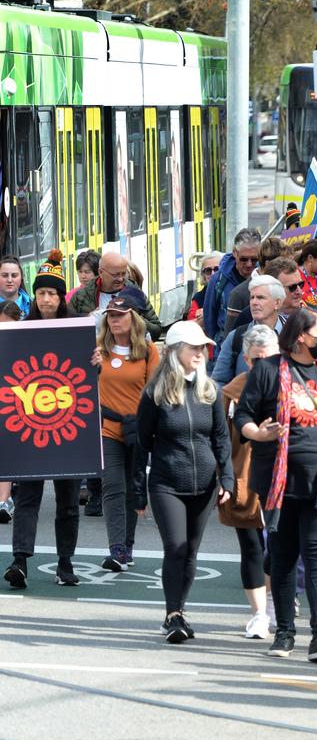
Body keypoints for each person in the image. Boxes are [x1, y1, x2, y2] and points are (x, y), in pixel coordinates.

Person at [235, 307, 317, 660]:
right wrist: (259, 434)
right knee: (282, 557)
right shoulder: (267, 370)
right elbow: (244, 418)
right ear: (299, 337)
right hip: (279, 482)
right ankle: (285, 633)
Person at [133, 321, 234, 643]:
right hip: (166, 483)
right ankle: (172, 615)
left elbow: (220, 438)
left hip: (204, 484)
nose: (201, 353)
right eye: (194, 348)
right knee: (175, 548)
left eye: (203, 348)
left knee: (190, 551)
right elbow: (141, 444)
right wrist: (138, 492)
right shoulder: (155, 393)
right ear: (176, 351)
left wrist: (227, 478)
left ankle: (180, 609)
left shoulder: (211, 390)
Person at [3, 252, 83, 589]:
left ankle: (65, 563)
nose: (46, 299)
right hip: (30, 421)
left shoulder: (78, 328)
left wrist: (95, 361)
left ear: (61, 296)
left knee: (67, 499)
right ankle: (20, 560)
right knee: (28, 496)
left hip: (69, 423)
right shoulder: (21, 330)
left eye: (52, 293)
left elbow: (88, 376)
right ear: (34, 296)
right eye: (41, 293)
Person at [91, 295, 161, 571]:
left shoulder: (147, 350)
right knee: (112, 486)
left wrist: (147, 423)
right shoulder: (99, 350)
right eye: (111, 315)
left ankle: (127, 546)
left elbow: (154, 390)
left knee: (133, 488)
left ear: (133, 317)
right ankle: (116, 548)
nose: (115, 319)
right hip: (107, 427)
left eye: (120, 315)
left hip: (137, 428)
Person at [219, 324, 278, 640]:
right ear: (245, 359)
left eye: (267, 359)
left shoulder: (292, 387)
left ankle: (275, 604)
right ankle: (259, 614)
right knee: (252, 548)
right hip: (244, 479)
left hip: (283, 479)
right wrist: (223, 477)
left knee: (280, 549)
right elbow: (219, 439)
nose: (261, 367)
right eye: (255, 360)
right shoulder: (231, 392)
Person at [212, 274, 285, 386]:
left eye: (260, 297)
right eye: (252, 297)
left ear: (277, 303)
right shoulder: (236, 336)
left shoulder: (293, 333)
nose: (254, 302)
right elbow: (218, 380)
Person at [69, 251, 162, 338]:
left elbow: (156, 330)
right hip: (95, 354)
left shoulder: (134, 292)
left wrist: (134, 319)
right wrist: (87, 320)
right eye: (116, 275)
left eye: (123, 274)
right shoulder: (81, 296)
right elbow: (67, 330)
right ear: (101, 272)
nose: (121, 279)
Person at [202, 228, 262, 344]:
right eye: (244, 259)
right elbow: (209, 319)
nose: (249, 264)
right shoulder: (218, 281)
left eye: (254, 259)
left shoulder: (266, 277)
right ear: (235, 252)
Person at [185, 251, 224, 325]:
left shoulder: (233, 291)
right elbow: (190, 325)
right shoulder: (198, 298)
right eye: (208, 271)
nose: (213, 274)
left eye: (217, 269)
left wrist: (207, 314)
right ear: (203, 275)